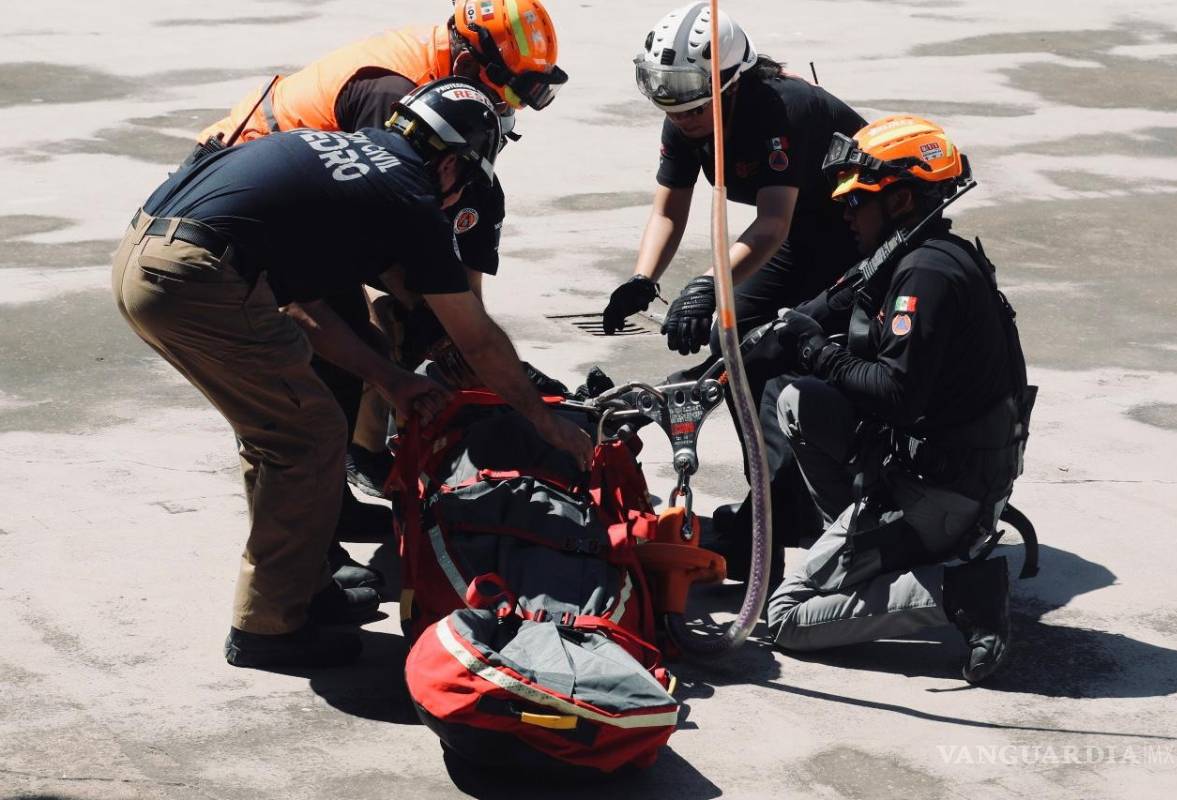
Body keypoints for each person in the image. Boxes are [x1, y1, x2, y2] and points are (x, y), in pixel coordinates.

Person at [112, 78, 593, 670]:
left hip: (147, 254)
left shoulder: (349, 162)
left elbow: (303, 306)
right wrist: (544, 421)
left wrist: (391, 380)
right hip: (196, 275)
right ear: (450, 164)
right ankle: (269, 630)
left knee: (279, 432)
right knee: (308, 437)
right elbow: (476, 338)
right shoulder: (410, 197)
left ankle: (300, 586)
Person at [191, 0, 568, 577]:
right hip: (244, 212)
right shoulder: (394, 98)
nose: (513, 107)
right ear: (468, 64)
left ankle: (334, 502)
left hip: (303, 208)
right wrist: (459, 340)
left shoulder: (444, 93)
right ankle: (312, 552)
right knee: (319, 378)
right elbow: (399, 234)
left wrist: (459, 335)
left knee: (381, 339)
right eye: (511, 90)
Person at [753, 116, 1034, 683]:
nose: (846, 214)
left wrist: (815, 351)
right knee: (797, 401)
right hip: (946, 473)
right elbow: (817, 312)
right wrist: (743, 339)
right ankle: (870, 555)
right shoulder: (917, 253)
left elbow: (895, 395)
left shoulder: (925, 275)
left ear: (901, 199)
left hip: (942, 492)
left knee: (785, 617)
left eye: (856, 201)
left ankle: (962, 590)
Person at [602, 2, 867, 572]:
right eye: (670, 104)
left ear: (731, 81)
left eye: (695, 105)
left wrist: (705, 285)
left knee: (771, 353)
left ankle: (776, 518)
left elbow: (770, 224)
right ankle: (776, 508)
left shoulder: (779, 111)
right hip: (804, 230)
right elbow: (668, 209)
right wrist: (643, 279)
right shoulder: (686, 118)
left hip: (857, 238)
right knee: (733, 341)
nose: (682, 117)